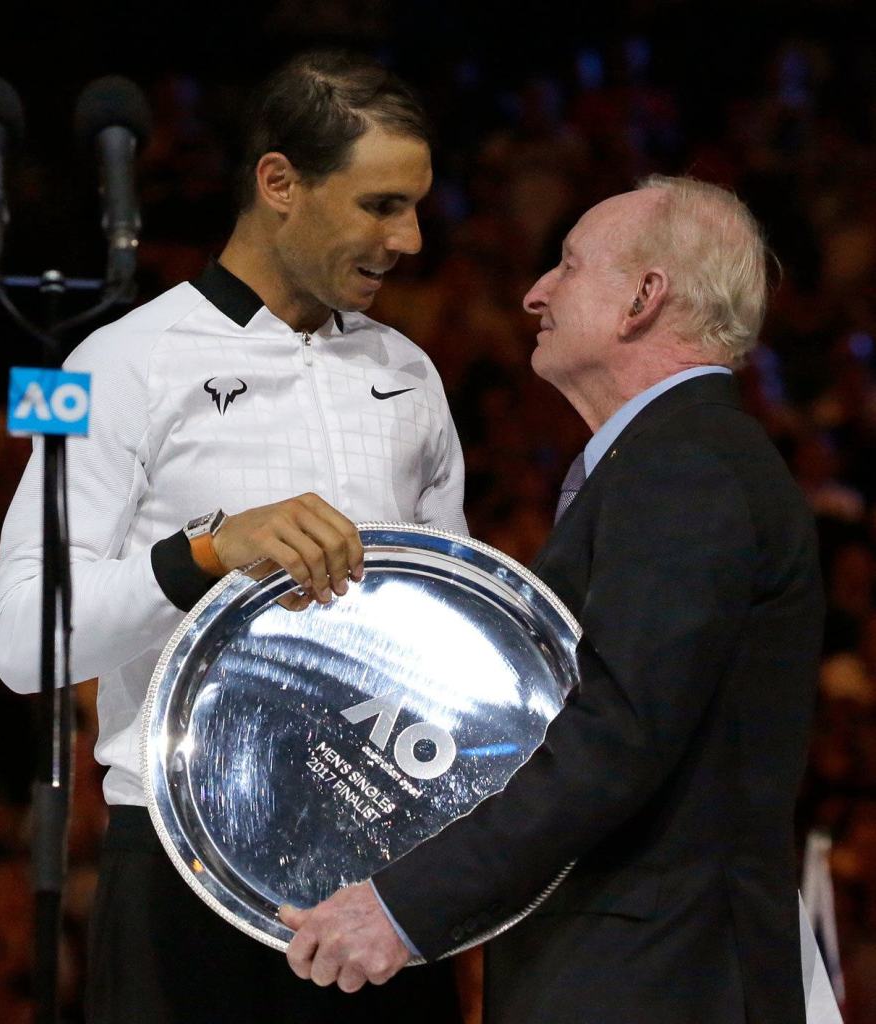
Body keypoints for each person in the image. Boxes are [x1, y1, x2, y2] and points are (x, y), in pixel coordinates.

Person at [0, 50, 466, 1024]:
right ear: (279, 183)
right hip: (180, 874)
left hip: (377, 881)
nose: (409, 238)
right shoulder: (118, 362)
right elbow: (20, 640)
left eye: (413, 206)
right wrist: (203, 553)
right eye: (379, 204)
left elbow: (449, 632)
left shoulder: (409, 374)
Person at [280, 176, 830, 1023]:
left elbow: (616, 735)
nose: (535, 291)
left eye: (569, 266)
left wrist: (404, 904)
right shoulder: (672, 461)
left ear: (644, 299)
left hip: (659, 979)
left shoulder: (687, 469)